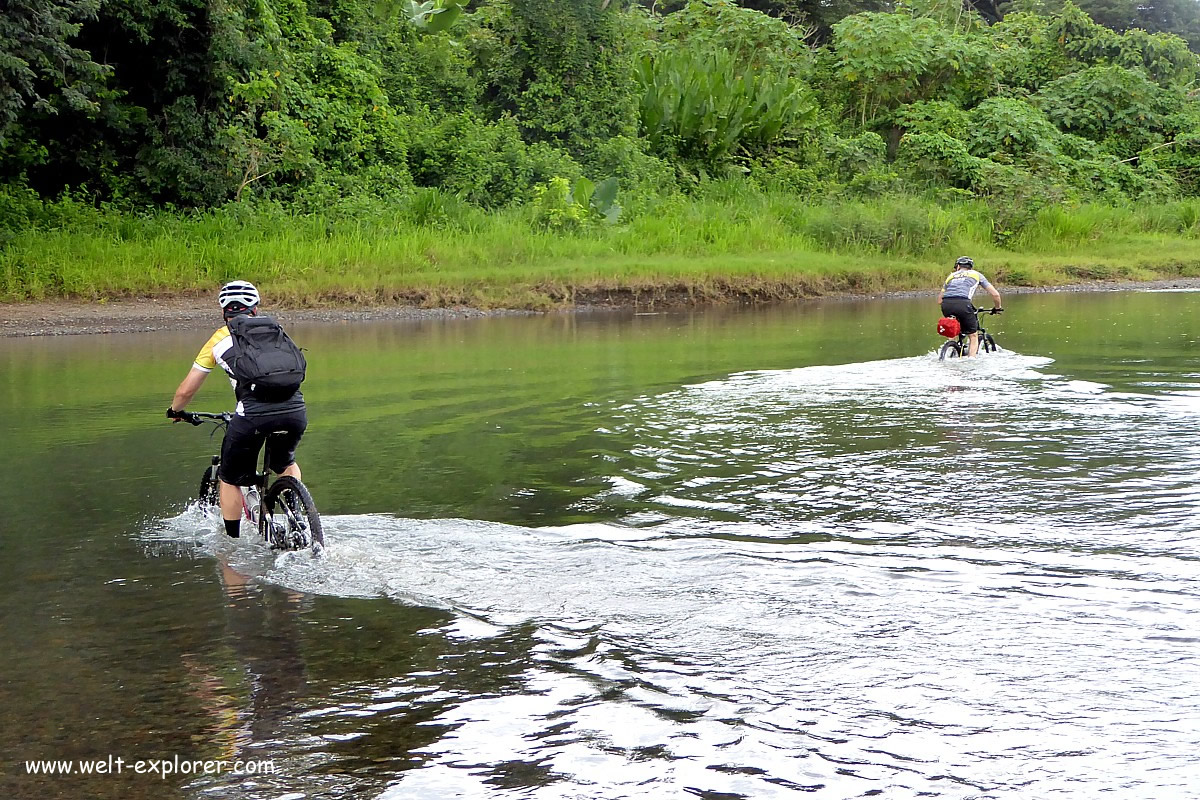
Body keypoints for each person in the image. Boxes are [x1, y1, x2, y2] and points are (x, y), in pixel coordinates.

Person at [167, 281, 307, 539]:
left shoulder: (220, 338)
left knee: (230, 477)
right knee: (285, 462)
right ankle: (298, 516)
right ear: (255, 309)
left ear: (224, 312)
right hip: (295, 411)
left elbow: (186, 391)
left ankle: (232, 540)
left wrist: (176, 410)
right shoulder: (275, 330)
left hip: (252, 415)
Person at [938, 256, 1003, 357]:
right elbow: (995, 295)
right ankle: (971, 360)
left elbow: (939, 300)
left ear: (958, 266)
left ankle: (950, 352)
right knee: (973, 335)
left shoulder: (951, 276)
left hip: (946, 304)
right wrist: (997, 308)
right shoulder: (976, 275)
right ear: (970, 267)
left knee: (953, 331)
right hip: (963, 303)